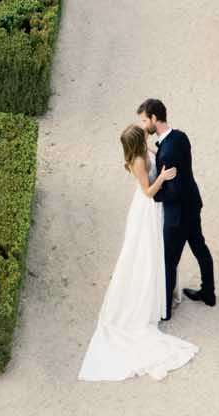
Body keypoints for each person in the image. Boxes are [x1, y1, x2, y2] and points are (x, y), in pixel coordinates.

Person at [78, 124, 198, 384]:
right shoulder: (139, 161)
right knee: (146, 255)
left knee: (157, 253)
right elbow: (147, 191)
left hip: (154, 209)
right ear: (137, 140)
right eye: (142, 130)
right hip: (147, 211)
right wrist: (162, 178)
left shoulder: (145, 150)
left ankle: (164, 292)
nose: (146, 129)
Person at [138, 97, 216, 321]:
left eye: (145, 120)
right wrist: (154, 154)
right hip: (193, 204)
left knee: (168, 261)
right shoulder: (179, 137)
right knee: (200, 248)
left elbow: (173, 190)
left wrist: (155, 194)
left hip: (177, 215)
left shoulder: (168, 151)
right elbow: (177, 166)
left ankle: (165, 311)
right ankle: (208, 294)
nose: (144, 125)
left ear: (154, 118)